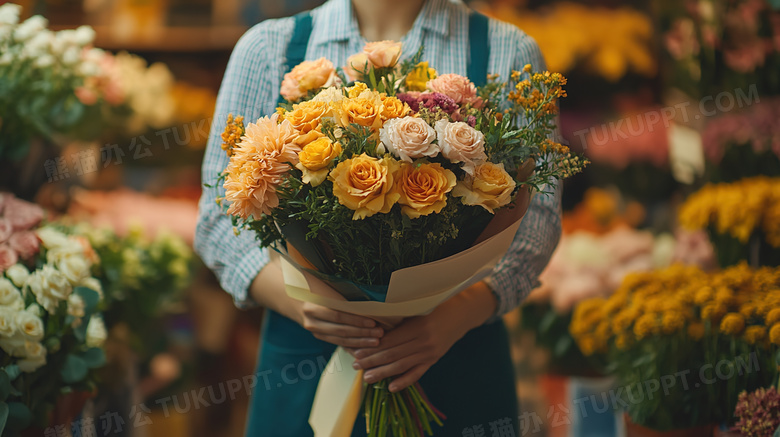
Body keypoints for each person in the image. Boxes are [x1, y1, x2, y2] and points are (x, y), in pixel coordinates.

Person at [194, 0, 562, 435]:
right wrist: (299, 301)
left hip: (454, 350)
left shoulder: (506, 50)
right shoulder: (268, 48)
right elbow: (220, 214)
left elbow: (537, 215)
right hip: (309, 349)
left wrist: (456, 315)